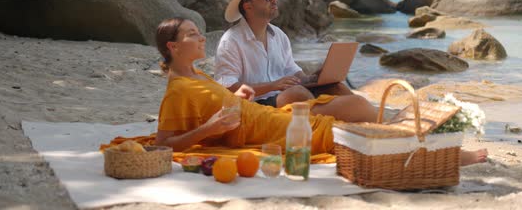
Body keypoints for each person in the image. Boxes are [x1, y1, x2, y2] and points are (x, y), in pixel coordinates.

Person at [154, 17, 488, 166]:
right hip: (274, 129)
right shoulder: (178, 89)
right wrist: (210, 129)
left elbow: (222, 101)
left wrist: (240, 98)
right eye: (193, 35)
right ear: (173, 46)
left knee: (353, 104)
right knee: (359, 134)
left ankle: (417, 129)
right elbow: (163, 146)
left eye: (199, 33)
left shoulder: (196, 74)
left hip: (271, 116)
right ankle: (446, 155)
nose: (201, 39)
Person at [214, 0, 353, 108]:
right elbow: (228, 86)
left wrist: (311, 78)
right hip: (255, 105)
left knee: (337, 88)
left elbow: (291, 69)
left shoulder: (279, 35)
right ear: (248, 6)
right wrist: (272, 86)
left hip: (281, 96)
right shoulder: (230, 41)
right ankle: (325, 121)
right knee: (297, 94)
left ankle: (368, 123)